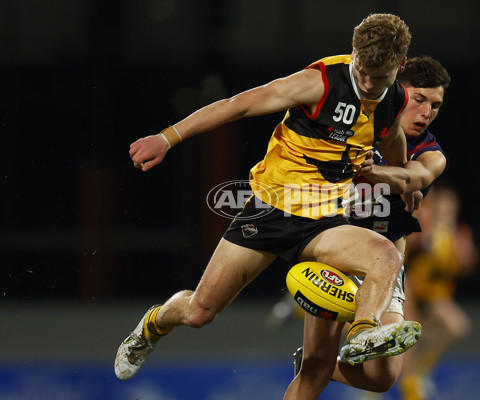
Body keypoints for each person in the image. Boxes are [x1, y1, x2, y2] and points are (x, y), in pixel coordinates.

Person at [115, 13, 421, 400]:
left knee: (385, 256)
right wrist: (167, 137)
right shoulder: (320, 81)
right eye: (362, 72)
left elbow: (392, 137)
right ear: (354, 54)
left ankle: (363, 335)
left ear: (401, 65)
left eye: (379, 77)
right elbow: (237, 105)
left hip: (326, 222)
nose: (368, 83)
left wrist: (403, 179)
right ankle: (152, 325)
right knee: (199, 312)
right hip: (271, 211)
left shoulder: (395, 98)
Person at [289, 56, 452, 396]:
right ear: (396, 93)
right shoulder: (348, 128)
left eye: (435, 105)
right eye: (419, 99)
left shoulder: (431, 152)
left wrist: (375, 172)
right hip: (337, 258)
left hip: (387, 267)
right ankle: (316, 364)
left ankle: (319, 363)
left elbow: (415, 176)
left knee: (383, 377)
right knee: (312, 376)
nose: (426, 112)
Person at [399, 183, 479, 400]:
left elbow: (468, 265)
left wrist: (463, 253)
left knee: (457, 326)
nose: (447, 215)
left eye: (451, 211)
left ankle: (421, 370)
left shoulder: (459, 235)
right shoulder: (424, 227)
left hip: (435, 296)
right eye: (443, 210)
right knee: (408, 333)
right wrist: (427, 240)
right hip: (413, 291)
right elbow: (408, 252)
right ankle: (407, 383)